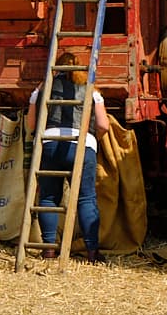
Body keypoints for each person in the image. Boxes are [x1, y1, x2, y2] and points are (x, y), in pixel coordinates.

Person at [27, 59, 112, 256]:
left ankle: (48, 248)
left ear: (57, 69)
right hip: (82, 145)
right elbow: (103, 125)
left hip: (48, 144)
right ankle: (92, 251)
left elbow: (32, 125)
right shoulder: (92, 90)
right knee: (86, 198)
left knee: (48, 197)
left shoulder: (42, 90)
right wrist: (92, 139)